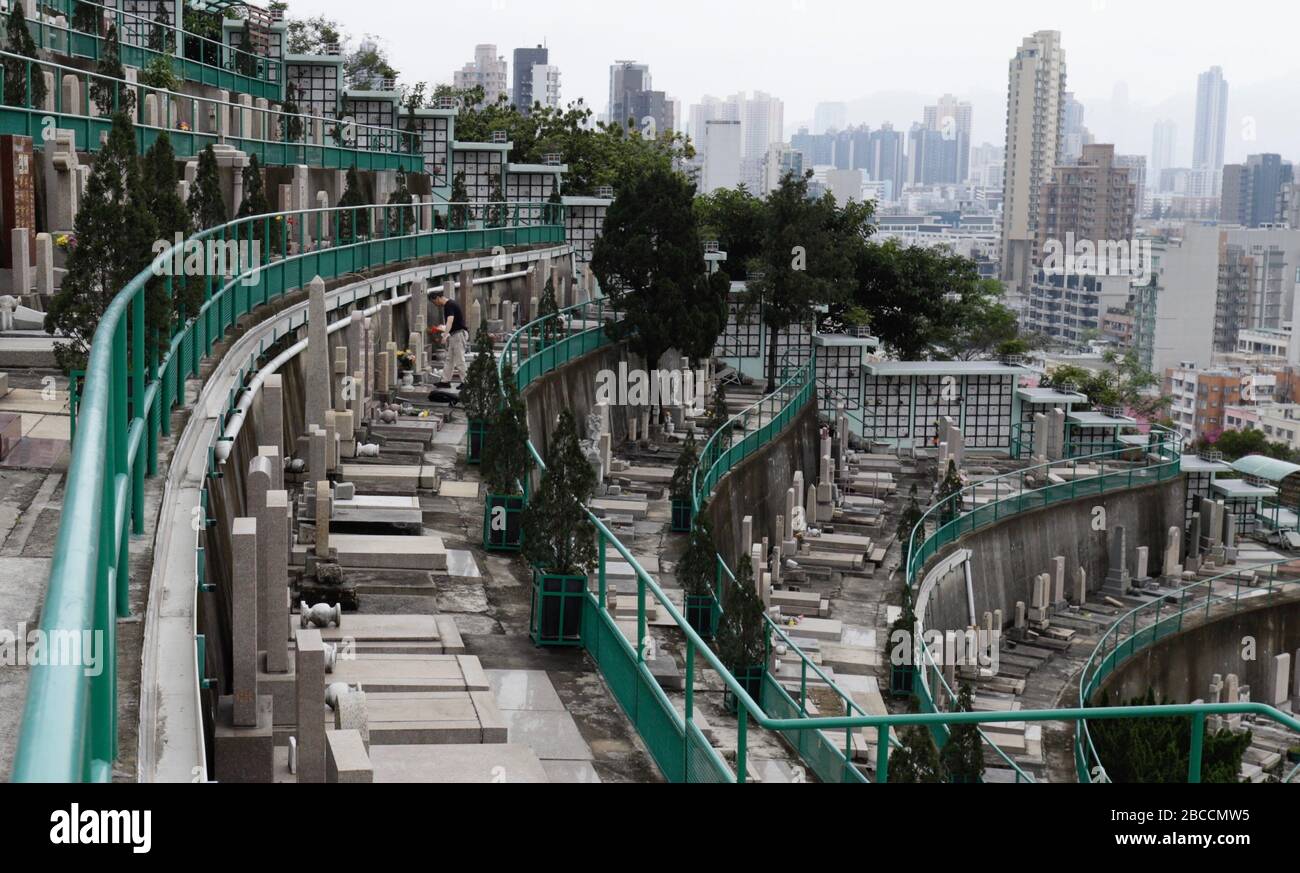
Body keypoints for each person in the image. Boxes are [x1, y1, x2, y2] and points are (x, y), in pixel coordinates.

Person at [430, 288, 468, 384]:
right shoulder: (450, 304)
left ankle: (466, 382)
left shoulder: (449, 305)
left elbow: (450, 320)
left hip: (458, 334)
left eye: (434, 302)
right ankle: (445, 381)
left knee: (459, 360)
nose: (435, 305)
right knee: (449, 359)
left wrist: (445, 335)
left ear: (438, 298)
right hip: (455, 334)